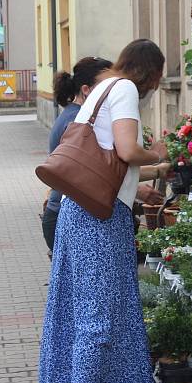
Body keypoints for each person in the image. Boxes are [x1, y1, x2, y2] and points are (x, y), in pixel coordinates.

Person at [39, 40, 169, 383]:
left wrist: (152, 173)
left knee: (90, 306)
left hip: (83, 210)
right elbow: (128, 151)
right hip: (99, 216)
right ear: (152, 72)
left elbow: (110, 160)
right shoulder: (126, 89)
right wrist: (158, 151)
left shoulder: (101, 89)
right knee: (97, 311)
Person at [42, 57, 165, 255]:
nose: (112, 85)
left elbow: (106, 166)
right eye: (107, 79)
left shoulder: (78, 114)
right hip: (83, 211)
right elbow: (98, 172)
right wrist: (154, 161)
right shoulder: (79, 119)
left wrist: (155, 173)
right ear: (86, 89)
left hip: (69, 210)